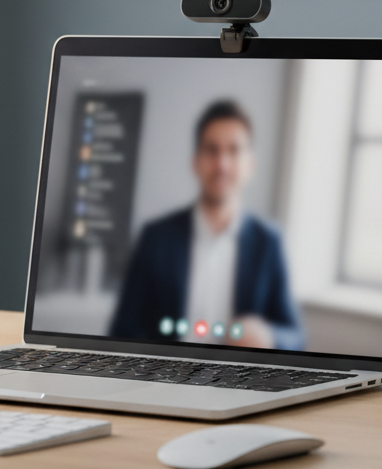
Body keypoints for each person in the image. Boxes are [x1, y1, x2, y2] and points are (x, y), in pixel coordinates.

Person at [109, 99, 303, 350]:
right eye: (212, 150)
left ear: (250, 165)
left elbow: (296, 335)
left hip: (242, 382)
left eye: (234, 151)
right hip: (165, 379)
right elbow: (123, 330)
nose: (221, 164)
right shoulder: (155, 237)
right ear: (195, 162)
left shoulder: (269, 241)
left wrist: (270, 336)